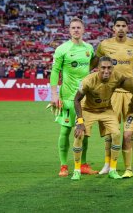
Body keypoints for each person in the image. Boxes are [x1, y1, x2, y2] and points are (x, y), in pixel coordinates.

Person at [95, 16, 133, 175]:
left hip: (130, 92)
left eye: (124, 25)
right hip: (112, 92)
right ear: (113, 28)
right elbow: (97, 61)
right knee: (111, 129)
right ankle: (108, 164)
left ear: (128, 28)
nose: (121, 28)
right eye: (118, 25)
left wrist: (131, 69)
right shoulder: (104, 45)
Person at [49, 17, 96, 177]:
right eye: (73, 28)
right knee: (65, 131)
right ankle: (63, 166)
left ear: (83, 30)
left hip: (85, 98)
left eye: (78, 27)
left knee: (85, 132)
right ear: (69, 31)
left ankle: (82, 164)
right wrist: (54, 94)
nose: (76, 30)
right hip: (68, 98)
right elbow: (55, 72)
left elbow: (93, 66)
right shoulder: (62, 49)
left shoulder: (89, 48)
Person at [71, 56, 125, 180]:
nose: (106, 71)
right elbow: (76, 100)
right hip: (88, 110)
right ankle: (76, 170)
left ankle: (113, 170)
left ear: (112, 68)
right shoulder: (88, 81)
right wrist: (80, 121)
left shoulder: (117, 77)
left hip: (106, 110)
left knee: (116, 134)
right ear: (97, 68)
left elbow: (130, 83)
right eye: (103, 68)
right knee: (79, 134)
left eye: (109, 68)